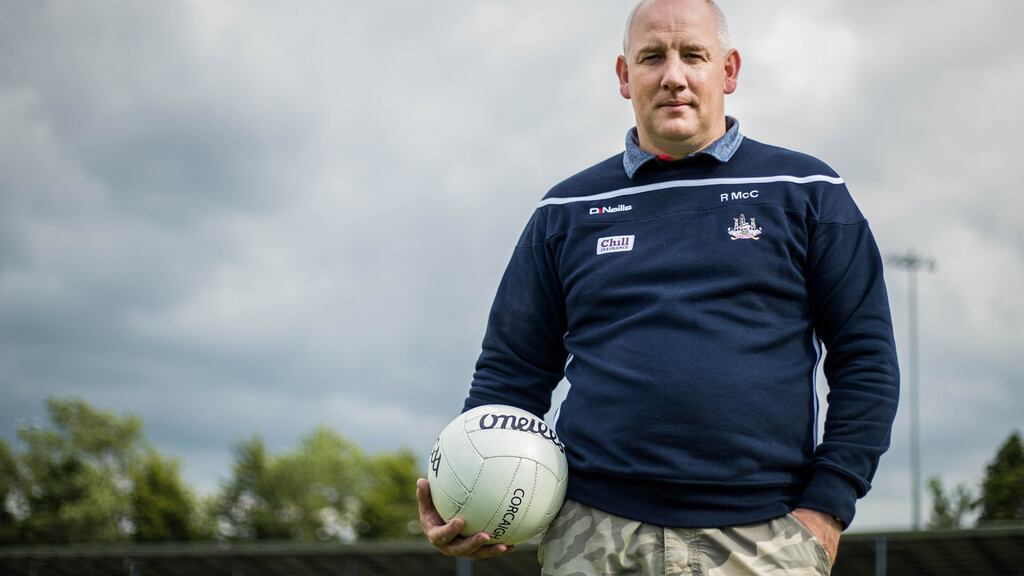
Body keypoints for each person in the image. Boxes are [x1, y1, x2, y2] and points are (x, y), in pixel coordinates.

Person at [417, 0, 899, 573]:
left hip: (766, 538)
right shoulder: (566, 210)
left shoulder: (807, 191)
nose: (674, 76)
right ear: (625, 76)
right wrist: (469, 494)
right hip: (594, 534)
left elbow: (865, 360)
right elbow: (510, 374)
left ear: (729, 70)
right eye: (652, 57)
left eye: (693, 55)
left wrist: (826, 507)